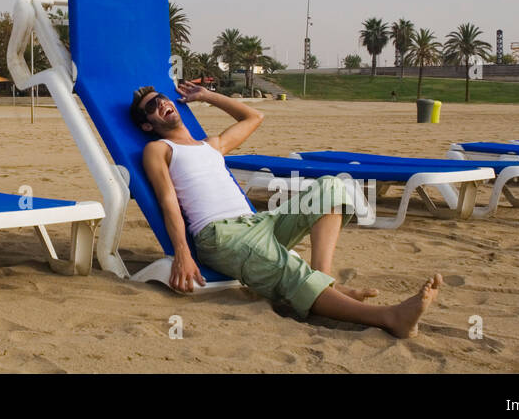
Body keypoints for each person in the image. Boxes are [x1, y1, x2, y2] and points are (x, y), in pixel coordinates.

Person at [132, 81, 443, 338]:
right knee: (289, 269)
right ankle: (389, 318)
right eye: (150, 107)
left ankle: (323, 278)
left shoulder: (210, 145)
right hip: (222, 236)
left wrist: (207, 96)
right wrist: (182, 253)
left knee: (331, 187)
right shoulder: (159, 149)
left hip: (260, 222)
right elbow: (168, 201)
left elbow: (254, 117)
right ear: (148, 124)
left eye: (160, 98)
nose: (159, 104)